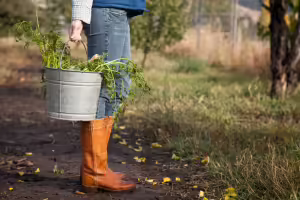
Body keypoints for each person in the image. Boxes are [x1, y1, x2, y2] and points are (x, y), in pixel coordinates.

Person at [69, 0, 146, 193]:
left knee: (118, 87)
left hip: (117, 12)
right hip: (106, 11)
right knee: (104, 88)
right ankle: (94, 171)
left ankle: (97, 167)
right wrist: (78, 15)